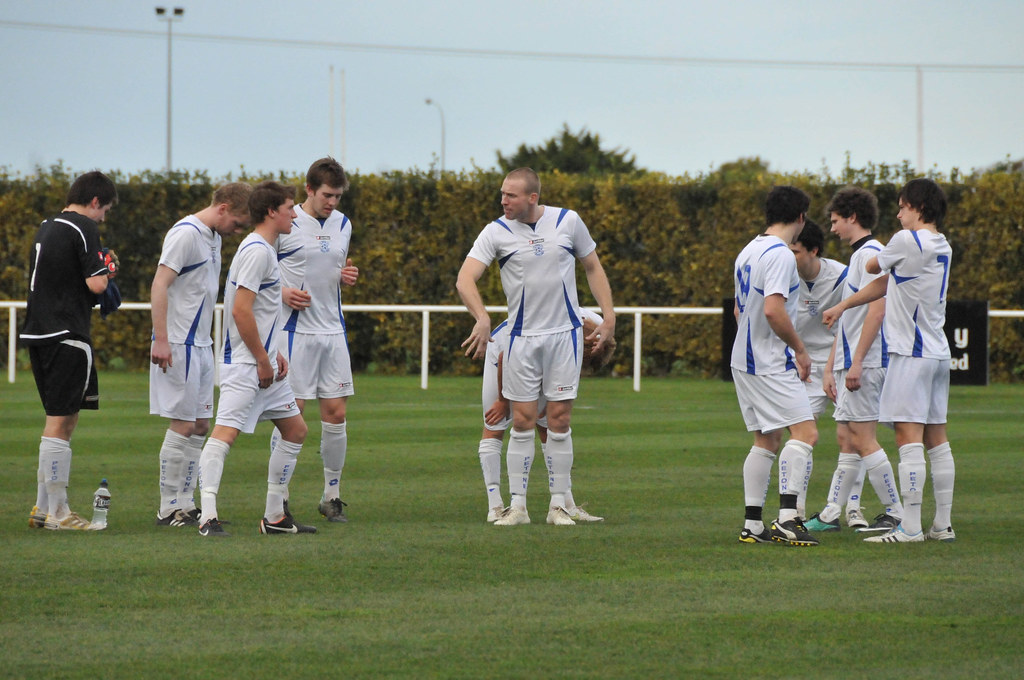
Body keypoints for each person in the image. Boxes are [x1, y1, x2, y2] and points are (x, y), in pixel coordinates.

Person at [457, 167, 615, 527]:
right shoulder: (495, 231)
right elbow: (465, 278)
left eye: (510, 196)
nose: (503, 201)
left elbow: (592, 266)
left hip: (564, 338)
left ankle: (558, 506)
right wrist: (481, 317)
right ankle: (518, 507)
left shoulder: (568, 221)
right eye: (502, 194)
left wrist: (609, 316)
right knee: (524, 422)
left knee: (558, 420)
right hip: (521, 340)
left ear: (532, 197)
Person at [824, 178, 956, 544]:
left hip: (909, 354)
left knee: (907, 437)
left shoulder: (905, 240)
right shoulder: (942, 244)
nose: (898, 215)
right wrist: (844, 304)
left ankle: (910, 527)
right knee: (938, 440)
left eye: (902, 207)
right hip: (937, 352)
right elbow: (891, 283)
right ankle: (942, 525)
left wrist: (870, 266)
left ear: (919, 207)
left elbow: (872, 268)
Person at [196, 181, 315, 537]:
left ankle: (275, 517)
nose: (295, 214)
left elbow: (260, 311)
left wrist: (273, 352)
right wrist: (263, 359)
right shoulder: (258, 251)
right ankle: (207, 517)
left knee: (296, 430)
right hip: (247, 366)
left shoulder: (263, 248)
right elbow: (241, 311)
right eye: (290, 208)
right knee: (223, 436)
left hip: (264, 362)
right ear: (271, 212)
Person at [149, 183, 252, 528]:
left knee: (202, 425)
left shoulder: (214, 238)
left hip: (203, 345)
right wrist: (161, 339)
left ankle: (185, 501)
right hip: (179, 342)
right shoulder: (185, 234)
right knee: (183, 423)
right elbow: (160, 283)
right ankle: (167, 506)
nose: (238, 231)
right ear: (223, 208)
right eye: (238, 222)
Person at [21, 171, 118, 531]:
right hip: (67, 333)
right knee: (61, 422)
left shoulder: (49, 225)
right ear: (95, 201)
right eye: (104, 209)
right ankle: (59, 513)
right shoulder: (82, 227)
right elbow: (96, 283)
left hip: (39, 332)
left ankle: (42, 508)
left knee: (58, 419)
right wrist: (109, 270)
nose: (103, 217)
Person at [804, 186, 905, 534]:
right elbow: (847, 320)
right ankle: (832, 512)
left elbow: (878, 309)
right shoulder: (859, 257)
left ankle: (896, 511)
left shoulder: (871, 254)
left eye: (835, 221)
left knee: (862, 437)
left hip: (867, 362)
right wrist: (834, 365)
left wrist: (858, 361)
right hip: (849, 361)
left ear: (852, 218)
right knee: (847, 437)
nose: (832, 229)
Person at [271, 158, 358, 523]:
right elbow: (258, 271)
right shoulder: (286, 224)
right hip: (295, 333)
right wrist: (283, 292)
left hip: (333, 331)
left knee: (336, 415)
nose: (332, 202)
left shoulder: (343, 224)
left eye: (337, 196)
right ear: (309, 190)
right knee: (292, 415)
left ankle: (331, 496)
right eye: (326, 195)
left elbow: (332, 267)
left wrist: (345, 274)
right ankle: (280, 498)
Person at [732, 185, 819, 547]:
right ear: (800, 217)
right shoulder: (781, 255)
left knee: (766, 439)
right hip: (769, 361)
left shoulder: (748, 250)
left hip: (744, 358)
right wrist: (799, 349)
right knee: (806, 434)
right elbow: (772, 309)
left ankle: (753, 524)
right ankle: (787, 519)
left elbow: (741, 310)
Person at [478, 308, 614, 523]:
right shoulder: (560, 329)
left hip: (543, 350)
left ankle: (566, 505)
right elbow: (506, 358)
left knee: (549, 425)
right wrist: (503, 401)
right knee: (495, 424)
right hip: (505, 351)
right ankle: (495, 506)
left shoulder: (596, 325)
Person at [788, 218, 864, 524]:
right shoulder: (783, 276)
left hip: (839, 364)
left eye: (794, 250)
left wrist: (833, 367)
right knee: (801, 438)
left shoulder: (842, 276)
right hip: (802, 367)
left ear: (813, 251)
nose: (788, 256)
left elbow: (852, 323)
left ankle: (853, 509)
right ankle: (794, 512)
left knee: (855, 436)